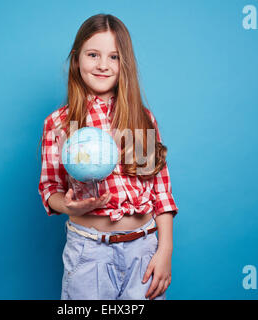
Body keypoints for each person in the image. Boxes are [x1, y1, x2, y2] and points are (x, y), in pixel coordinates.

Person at [38, 13, 179, 300]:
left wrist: (165, 250)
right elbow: (49, 187)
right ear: (77, 59)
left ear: (124, 64)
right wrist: (68, 206)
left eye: (114, 57)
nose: (103, 65)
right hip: (88, 253)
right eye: (93, 55)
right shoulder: (59, 123)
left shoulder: (142, 119)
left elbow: (161, 192)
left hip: (143, 250)